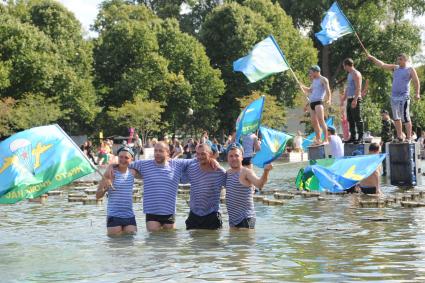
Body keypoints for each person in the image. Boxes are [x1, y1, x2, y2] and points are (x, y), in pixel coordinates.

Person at [367, 53, 421, 142]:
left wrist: (417, 93)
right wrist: (372, 58)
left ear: (405, 60)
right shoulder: (395, 67)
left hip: (404, 96)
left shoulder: (410, 69)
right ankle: (400, 136)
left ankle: (409, 137)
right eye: (398, 59)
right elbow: (382, 65)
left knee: (405, 116)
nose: (398, 61)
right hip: (394, 97)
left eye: (400, 59)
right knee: (396, 117)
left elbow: (416, 81)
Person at [225, 143, 273, 230]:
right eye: (231, 156)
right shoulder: (227, 173)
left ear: (242, 157)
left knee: (245, 243)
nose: (234, 158)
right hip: (232, 220)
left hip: (246, 218)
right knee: (232, 243)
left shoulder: (246, 172)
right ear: (227, 158)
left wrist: (266, 171)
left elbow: (259, 184)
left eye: (236, 155)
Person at [96, 146, 138, 236]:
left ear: (131, 159)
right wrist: (105, 189)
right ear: (117, 157)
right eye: (121, 157)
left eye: (126, 157)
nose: (123, 159)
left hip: (129, 216)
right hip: (114, 215)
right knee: (115, 246)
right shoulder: (110, 173)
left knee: (131, 244)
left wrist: (111, 164)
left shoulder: (133, 172)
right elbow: (97, 196)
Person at [185, 143, 226, 230]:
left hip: (212, 215)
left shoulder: (219, 172)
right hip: (194, 215)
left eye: (203, 154)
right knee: (192, 243)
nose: (200, 156)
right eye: (198, 154)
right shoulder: (191, 169)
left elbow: (232, 185)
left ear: (210, 154)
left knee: (212, 242)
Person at [301, 65, 332, 145]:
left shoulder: (323, 79)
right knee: (314, 122)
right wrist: (302, 86)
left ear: (316, 72)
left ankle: (325, 139)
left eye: (311, 72)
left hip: (319, 102)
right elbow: (310, 91)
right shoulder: (314, 81)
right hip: (312, 103)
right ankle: (318, 139)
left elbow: (328, 90)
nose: (310, 74)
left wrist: (329, 99)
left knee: (321, 120)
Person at [341, 58, 364, 143]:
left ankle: (361, 137)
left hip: (355, 98)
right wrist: (344, 97)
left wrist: (355, 100)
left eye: (344, 66)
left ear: (347, 65)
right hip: (349, 98)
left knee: (357, 118)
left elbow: (358, 87)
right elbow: (348, 87)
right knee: (350, 119)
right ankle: (353, 136)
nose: (344, 68)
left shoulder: (356, 73)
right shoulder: (349, 74)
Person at [380, 109, 395, 175]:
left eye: (383, 115)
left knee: (390, 156)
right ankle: (385, 171)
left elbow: (395, 130)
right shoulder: (383, 121)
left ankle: (391, 170)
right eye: (381, 115)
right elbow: (383, 132)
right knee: (383, 157)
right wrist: (381, 140)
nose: (382, 116)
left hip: (389, 141)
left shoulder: (391, 121)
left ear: (387, 114)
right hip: (384, 141)